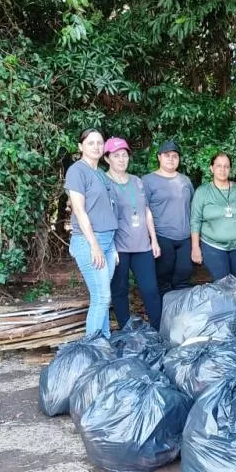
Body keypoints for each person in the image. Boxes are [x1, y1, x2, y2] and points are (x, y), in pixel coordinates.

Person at [103, 137, 162, 330]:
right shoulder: (104, 182)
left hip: (142, 245)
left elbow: (146, 211)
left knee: (150, 289)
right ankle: (126, 331)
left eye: (124, 155)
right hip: (119, 247)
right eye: (116, 155)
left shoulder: (137, 181)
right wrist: (109, 249)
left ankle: (158, 330)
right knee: (120, 291)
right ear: (107, 158)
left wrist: (154, 240)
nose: (121, 159)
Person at [65, 129, 118, 337]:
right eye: (90, 143)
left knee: (104, 298)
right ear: (80, 147)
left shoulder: (100, 173)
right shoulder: (77, 171)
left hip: (108, 239)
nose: (96, 146)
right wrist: (94, 244)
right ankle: (94, 350)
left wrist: (112, 246)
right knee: (101, 297)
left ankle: (102, 343)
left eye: (99, 143)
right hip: (89, 241)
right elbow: (79, 210)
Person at [143, 140, 195, 295]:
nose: (171, 159)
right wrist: (151, 239)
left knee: (184, 274)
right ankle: (163, 314)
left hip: (185, 237)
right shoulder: (147, 181)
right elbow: (143, 210)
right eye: (167, 155)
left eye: (175, 156)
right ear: (159, 157)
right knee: (163, 277)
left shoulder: (185, 180)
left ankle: (180, 314)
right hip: (162, 236)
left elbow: (192, 207)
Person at [191, 152, 236, 280]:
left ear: (230, 169)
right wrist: (195, 247)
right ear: (211, 168)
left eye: (226, 166)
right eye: (218, 166)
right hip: (213, 246)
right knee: (222, 283)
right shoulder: (202, 191)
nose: (222, 170)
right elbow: (195, 220)